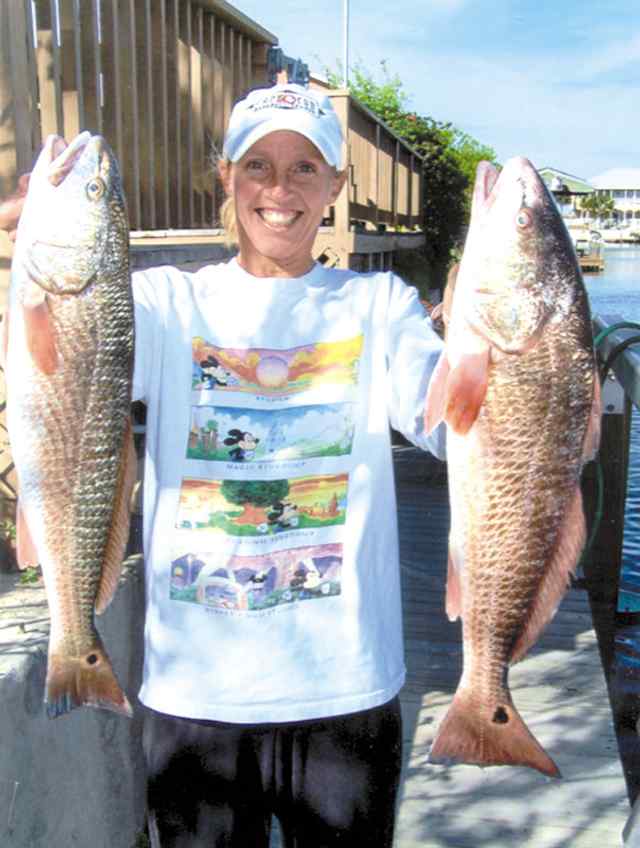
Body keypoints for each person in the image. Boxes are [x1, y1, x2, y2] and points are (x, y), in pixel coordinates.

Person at [0, 82, 445, 847]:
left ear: (337, 185)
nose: (280, 189)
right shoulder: (161, 302)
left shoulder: (380, 306)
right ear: (226, 179)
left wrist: (510, 365)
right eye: (258, 166)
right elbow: (50, 362)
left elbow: (449, 426)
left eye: (306, 168)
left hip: (346, 690)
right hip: (196, 699)